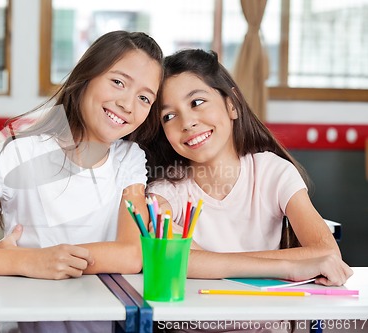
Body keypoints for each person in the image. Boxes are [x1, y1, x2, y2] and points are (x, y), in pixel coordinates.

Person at [0, 30, 163, 333]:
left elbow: (132, 254)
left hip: (98, 324)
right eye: (118, 82)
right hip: (25, 322)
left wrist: (43, 258)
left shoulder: (129, 159)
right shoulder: (17, 154)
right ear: (86, 75)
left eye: (144, 98)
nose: (128, 104)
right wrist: (26, 262)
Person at [142, 49, 353, 332]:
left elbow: (326, 253)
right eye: (169, 116)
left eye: (197, 102)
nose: (187, 122)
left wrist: (206, 260)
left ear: (232, 105)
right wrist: (287, 266)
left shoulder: (272, 172)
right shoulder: (165, 191)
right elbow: (173, 262)